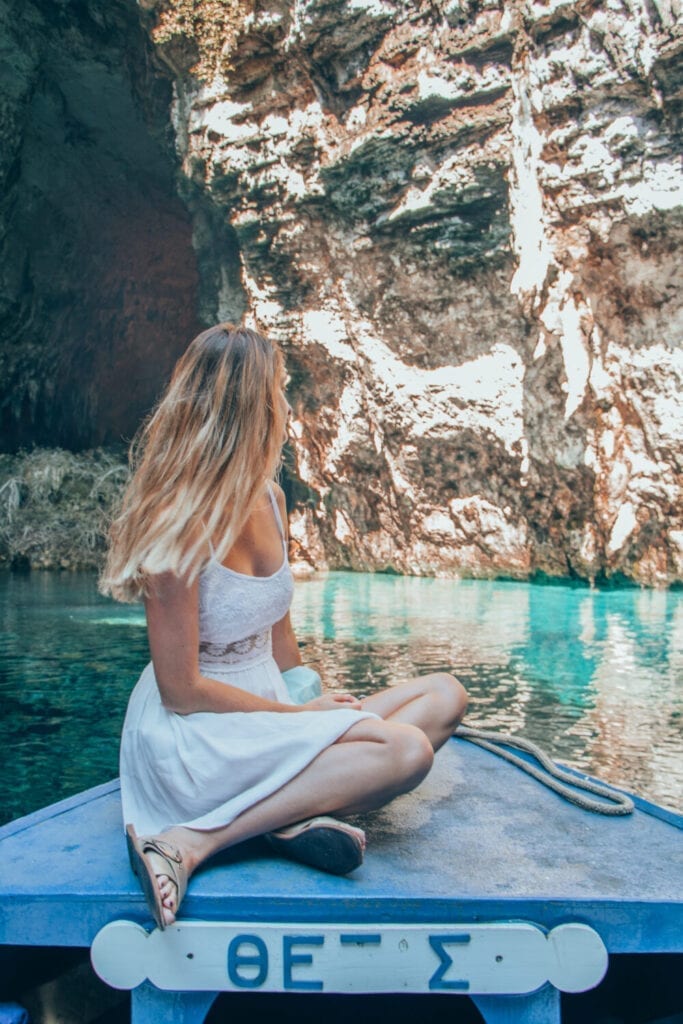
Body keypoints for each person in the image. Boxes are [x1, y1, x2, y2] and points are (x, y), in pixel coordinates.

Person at [100, 323, 467, 930]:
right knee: (405, 750)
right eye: (278, 390)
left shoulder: (269, 497)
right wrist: (306, 723)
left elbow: (279, 636)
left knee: (443, 696)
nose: (288, 404)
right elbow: (182, 691)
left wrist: (309, 696)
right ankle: (192, 843)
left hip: (269, 706)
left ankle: (287, 816)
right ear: (251, 406)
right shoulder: (179, 523)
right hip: (198, 731)